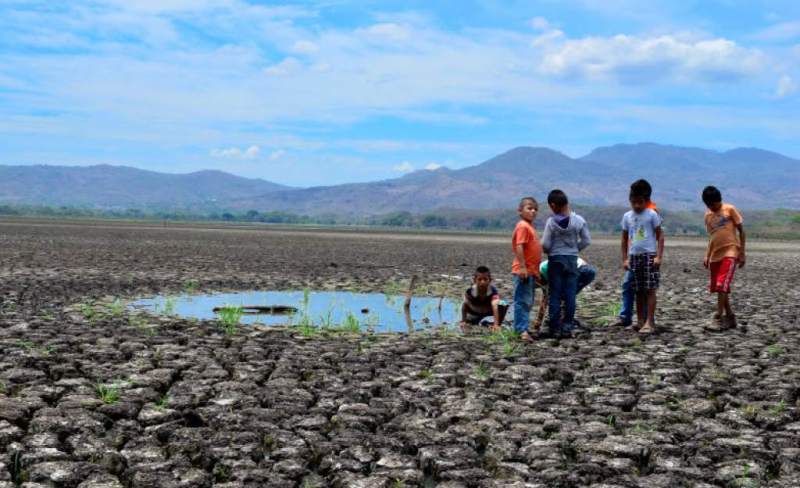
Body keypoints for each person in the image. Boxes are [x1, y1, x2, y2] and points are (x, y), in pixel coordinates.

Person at [539, 189, 591, 338]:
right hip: (572, 260)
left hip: (556, 260)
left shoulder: (551, 222)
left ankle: (554, 328)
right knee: (570, 295)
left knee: (555, 294)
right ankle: (567, 327)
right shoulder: (579, 220)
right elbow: (587, 240)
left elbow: (545, 243)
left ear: (553, 205)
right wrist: (575, 249)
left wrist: (550, 251)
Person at [613, 179, 662, 328]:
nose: (636, 206)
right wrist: (625, 259)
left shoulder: (652, 214)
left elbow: (660, 236)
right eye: (633, 202)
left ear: (647, 200)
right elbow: (624, 238)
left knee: (650, 289)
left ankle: (650, 322)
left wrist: (658, 256)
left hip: (649, 256)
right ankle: (640, 321)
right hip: (634, 257)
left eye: (640, 202)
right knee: (637, 289)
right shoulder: (627, 216)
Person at [702, 186, 746, 331]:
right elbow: (712, 237)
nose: (711, 208)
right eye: (708, 205)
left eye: (713, 205)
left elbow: (741, 231)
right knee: (720, 287)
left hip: (731, 251)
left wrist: (742, 252)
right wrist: (707, 255)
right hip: (715, 255)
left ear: (719, 200)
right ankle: (730, 317)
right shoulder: (708, 215)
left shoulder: (729, 209)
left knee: (722, 284)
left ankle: (718, 317)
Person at [533, 258, 596, 332]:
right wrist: (539, 321)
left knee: (561, 296)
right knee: (566, 296)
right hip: (587, 271)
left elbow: (546, 299)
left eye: (538, 285)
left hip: (581, 270)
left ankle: (563, 321)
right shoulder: (543, 274)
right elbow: (545, 299)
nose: (540, 286)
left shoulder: (544, 269)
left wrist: (539, 322)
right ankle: (565, 320)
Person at [511, 196, 542, 342]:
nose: (533, 211)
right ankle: (521, 331)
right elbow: (519, 246)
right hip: (522, 271)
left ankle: (523, 327)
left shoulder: (530, 227)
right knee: (522, 301)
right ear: (520, 211)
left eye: (535, 209)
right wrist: (523, 267)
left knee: (528, 301)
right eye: (529, 208)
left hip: (531, 272)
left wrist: (535, 273)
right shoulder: (523, 226)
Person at [459, 266, 508, 331]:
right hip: (475, 311)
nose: (482, 282)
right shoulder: (470, 291)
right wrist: (463, 321)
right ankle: (472, 319)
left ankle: (497, 324)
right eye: (479, 279)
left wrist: (496, 324)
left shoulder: (493, 291)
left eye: (485, 279)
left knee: (504, 303)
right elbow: (465, 304)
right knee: (469, 320)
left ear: (490, 280)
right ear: (474, 280)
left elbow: (495, 306)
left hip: (488, 310)